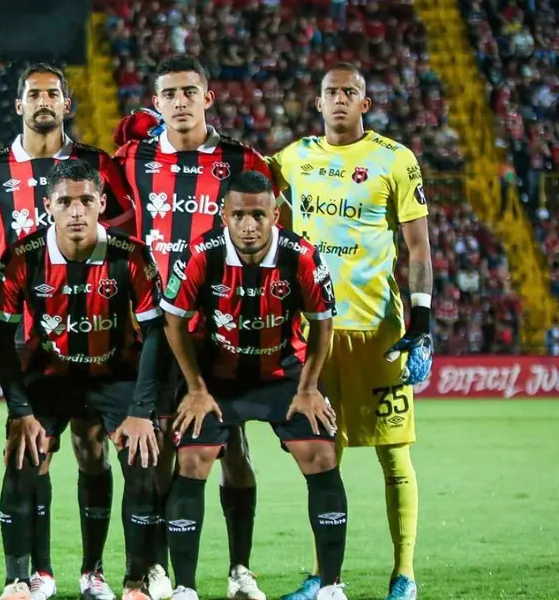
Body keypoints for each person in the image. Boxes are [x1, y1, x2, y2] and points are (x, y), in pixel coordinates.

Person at [0, 63, 134, 600]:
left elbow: (119, 236)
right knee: (32, 450)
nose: (44, 101)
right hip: (26, 342)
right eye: (34, 94)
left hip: (96, 333)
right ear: (19, 104)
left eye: (53, 93)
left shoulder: (95, 165)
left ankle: (94, 572)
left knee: (92, 447)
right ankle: (39, 573)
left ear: (68, 103)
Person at [267, 63, 433, 600]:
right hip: (315, 335)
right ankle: (323, 575)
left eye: (350, 91)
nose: (339, 99)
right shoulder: (293, 159)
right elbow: (235, 171)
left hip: (379, 333)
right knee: (320, 454)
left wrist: (424, 322)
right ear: (317, 102)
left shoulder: (395, 159)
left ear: (365, 102)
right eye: (330, 92)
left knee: (393, 453)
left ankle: (403, 574)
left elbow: (419, 248)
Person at [114, 54, 276, 600]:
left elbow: (273, 232)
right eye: (169, 94)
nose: (180, 102)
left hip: (224, 327)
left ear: (209, 98)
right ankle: (158, 567)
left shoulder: (240, 159)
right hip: (155, 328)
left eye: (189, 91)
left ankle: (239, 570)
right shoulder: (132, 158)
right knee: (160, 449)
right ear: (155, 103)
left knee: (232, 447)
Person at [158, 170, 348, 600]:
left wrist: (309, 388)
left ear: (275, 215)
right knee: (192, 460)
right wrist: (195, 388)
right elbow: (173, 321)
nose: (249, 225)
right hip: (217, 380)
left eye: (259, 215)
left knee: (320, 453)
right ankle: (185, 587)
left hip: (282, 373)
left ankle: (332, 586)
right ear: (223, 214)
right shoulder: (201, 253)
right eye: (239, 214)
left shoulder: (300, 256)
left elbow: (323, 324)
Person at [0, 159, 162, 600]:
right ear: (49, 206)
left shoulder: (132, 255)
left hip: (115, 375)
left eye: (86, 200)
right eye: (65, 201)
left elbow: (156, 335)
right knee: (24, 457)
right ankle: (27, 577)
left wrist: (142, 411)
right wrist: (19, 411)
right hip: (49, 376)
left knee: (140, 460)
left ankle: (121, 580)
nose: (77, 211)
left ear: (102, 203)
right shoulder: (22, 258)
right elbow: (1, 338)